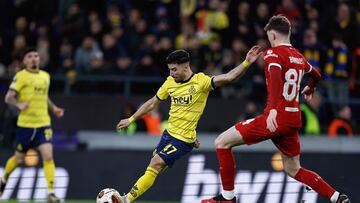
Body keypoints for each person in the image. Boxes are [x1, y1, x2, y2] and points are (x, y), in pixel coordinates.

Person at [201, 15, 350, 203]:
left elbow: (275, 82)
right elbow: (317, 75)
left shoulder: (272, 54)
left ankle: (227, 198)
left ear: (272, 35)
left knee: (221, 142)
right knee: (293, 169)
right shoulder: (298, 56)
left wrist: (271, 109)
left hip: (275, 117)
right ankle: (336, 196)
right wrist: (310, 88)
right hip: (293, 119)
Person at [115, 46, 262, 203]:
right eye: (170, 70)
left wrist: (246, 62)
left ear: (185, 66)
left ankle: (125, 200)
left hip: (182, 140)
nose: (171, 73)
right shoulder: (170, 82)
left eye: (174, 69)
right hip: (168, 135)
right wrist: (131, 119)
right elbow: (152, 103)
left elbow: (229, 77)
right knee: (153, 168)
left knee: (156, 163)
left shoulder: (201, 82)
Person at [0, 47, 64, 203]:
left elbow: (44, 96)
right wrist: (19, 104)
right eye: (30, 56)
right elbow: (8, 97)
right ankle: (4, 179)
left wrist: (54, 108)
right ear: (25, 60)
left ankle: (51, 193)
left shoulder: (45, 76)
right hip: (26, 126)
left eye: (36, 56)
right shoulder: (20, 76)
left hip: (43, 124)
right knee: (18, 159)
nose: (34, 58)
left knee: (48, 156)